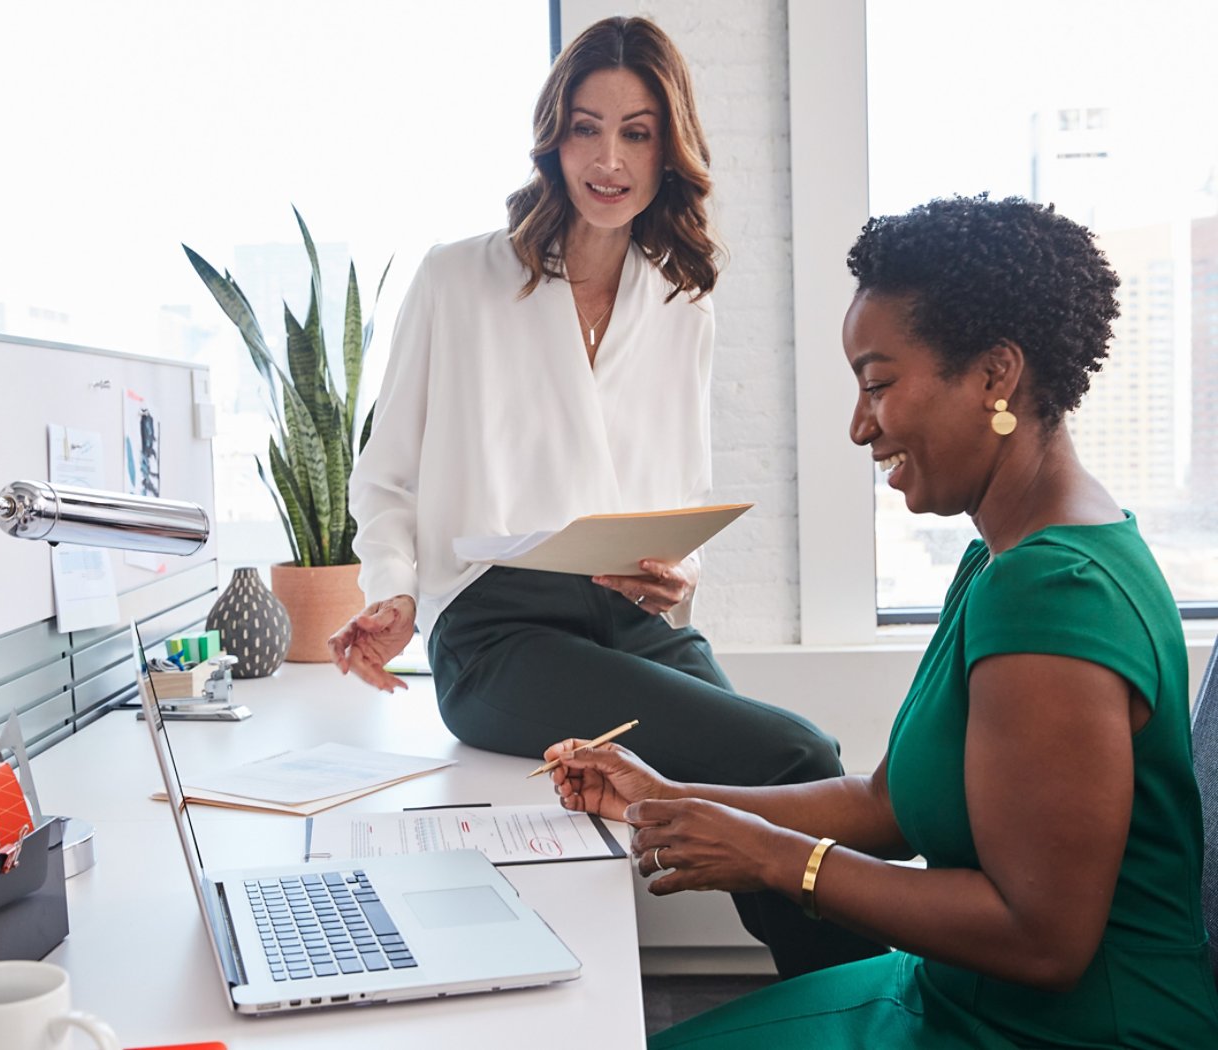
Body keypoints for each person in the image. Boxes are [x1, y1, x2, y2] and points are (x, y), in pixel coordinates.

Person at [545, 194, 1218, 1048]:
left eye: (878, 385)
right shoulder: (1004, 559)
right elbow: (886, 804)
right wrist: (669, 799)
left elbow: (1042, 939)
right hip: (958, 998)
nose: (860, 426)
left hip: (1073, 1033)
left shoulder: (1056, 596)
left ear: (995, 376)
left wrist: (770, 859)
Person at [329, 16, 883, 978]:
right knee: (793, 755)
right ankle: (874, 1005)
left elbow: (674, 492)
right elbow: (386, 475)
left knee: (804, 766)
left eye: (636, 132)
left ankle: (834, 1001)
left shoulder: (679, 300)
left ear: (669, 147)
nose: (609, 159)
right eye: (586, 128)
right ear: (554, 135)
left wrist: (679, 574)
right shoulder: (458, 277)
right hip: (498, 634)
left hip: (625, 614)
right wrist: (396, 594)